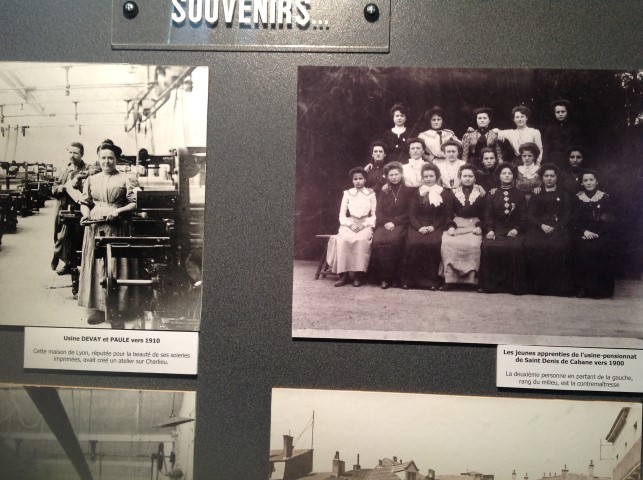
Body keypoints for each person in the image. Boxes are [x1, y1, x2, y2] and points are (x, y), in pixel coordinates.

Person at [78, 142, 141, 326]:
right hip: (95, 225)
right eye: (103, 158)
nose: (106, 161)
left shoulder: (127, 178)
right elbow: (85, 202)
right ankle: (100, 308)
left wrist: (118, 211)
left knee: (116, 265)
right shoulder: (91, 179)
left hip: (117, 226)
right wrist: (85, 214)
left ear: (116, 159)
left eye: (110, 158)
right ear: (99, 159)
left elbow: (135, 203)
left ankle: (119, 309)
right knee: (97, 264)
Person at [401, 164, 453, 290]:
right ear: (422, 178)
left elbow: (445, 214)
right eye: (426, 177)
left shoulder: (444, 193)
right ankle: (409, 281)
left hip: (436, 224)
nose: (428, 179)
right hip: (418, 224)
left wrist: (433, 227)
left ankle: (431, 281)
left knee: (433, 243)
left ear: (437, 177)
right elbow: (412, 213)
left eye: (431, 176)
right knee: (413, 243)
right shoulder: (418, 192)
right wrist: (419, 227)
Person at [524, 163, 573, 296]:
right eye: (546, 176)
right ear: (542, 178)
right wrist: (541, 225)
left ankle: (558, 288)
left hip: (558, 227)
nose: (549, 178)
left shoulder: (564, 194)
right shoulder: (537, 193)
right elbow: (530, 214)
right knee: (532, 245)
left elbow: (567, 214)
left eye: (552, 176)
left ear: (557, 177)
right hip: (540, 226)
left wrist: (557, 227)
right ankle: (537, 287)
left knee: (559, 247)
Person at [479, 164, 528, 294]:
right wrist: (490, 229)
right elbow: (487, 215)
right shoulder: (492, 193)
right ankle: (492, 286)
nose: (507, 176)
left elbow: (524, 216)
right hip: (496, 228)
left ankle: (514, 287)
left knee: (516, 248)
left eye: (510, 173)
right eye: (504, 173)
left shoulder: (519, 194)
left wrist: (517, 229)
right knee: (489, 246)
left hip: (514, 229)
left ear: (513, 176)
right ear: (499, 176)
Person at [326, 167, 377, 287]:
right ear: (352, 180)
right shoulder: (347, 193)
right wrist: (351, 224)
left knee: (361, 240)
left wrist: (363, 224)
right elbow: (342, 214)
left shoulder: (371, 194)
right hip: (350, 223)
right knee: (344, 240)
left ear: (365, 179)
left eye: (360, 178)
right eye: (355, 179)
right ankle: (343, 275)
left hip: (365, 223)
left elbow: (374, 214)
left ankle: (359, 275)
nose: (358, 181)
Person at [440, 164, 485, 290]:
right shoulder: (453, 192)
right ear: (460, 177)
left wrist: (480, 226)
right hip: (457, 224)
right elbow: (447, 213)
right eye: (465, 176)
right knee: (448, 243)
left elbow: (485, 213)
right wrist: (450, 226)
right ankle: (450, 280)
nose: (467, 178)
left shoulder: (481, 193)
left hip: (474, 225)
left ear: (475, 178)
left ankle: (471, 281)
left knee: (474, 245)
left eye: (470, 176)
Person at [571, 170, 615, 298]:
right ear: (582, 183)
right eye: (585, 180)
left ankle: (600, 290)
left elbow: (609, 220)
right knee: (581, 250)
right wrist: (584, 231)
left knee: (599, 249)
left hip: (601, 233)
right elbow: (574, 220)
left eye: (591, 180)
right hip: (582, 232)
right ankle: (582, 288)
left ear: (597, 181)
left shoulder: (604, 197)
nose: (588, 183)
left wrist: (597, 234)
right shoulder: (578, 198)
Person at [370, 162, 414, 288]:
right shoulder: (384, 191)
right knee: (378, 240)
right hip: (384, 223)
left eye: (396, 174)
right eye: (391, 175)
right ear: (387, 177)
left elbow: (410, 211)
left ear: (401, 174)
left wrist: (394, 222)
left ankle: (395, 277)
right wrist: (385, 222)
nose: (394, 177)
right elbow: (378, 210)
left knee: (394, 241)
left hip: (400, 223)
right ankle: (384, 278)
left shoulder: (408, 190)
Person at [51, 141, 90, 275]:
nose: (72, 155)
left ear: (82, 154)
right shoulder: (64, 170)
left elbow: (95, 174)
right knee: (60, 235)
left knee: (75, 237)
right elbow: (54, 188)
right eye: (70, 152)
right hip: (62, 207)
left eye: (76, 153)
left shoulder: (87, 168)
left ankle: (64, 258)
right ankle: (67, 263)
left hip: (79, 208)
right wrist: (60, 188)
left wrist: (79, 177)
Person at [543, 99, 583, 168]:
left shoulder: (573, 129)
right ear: (554, 113)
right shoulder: (550, 129)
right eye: (557, 112)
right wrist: (547, 164)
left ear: (567, 112)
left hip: (569, 162)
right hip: (554, 161)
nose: (560, 114)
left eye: (563, 112)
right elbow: (546, 149)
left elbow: (578, 147)